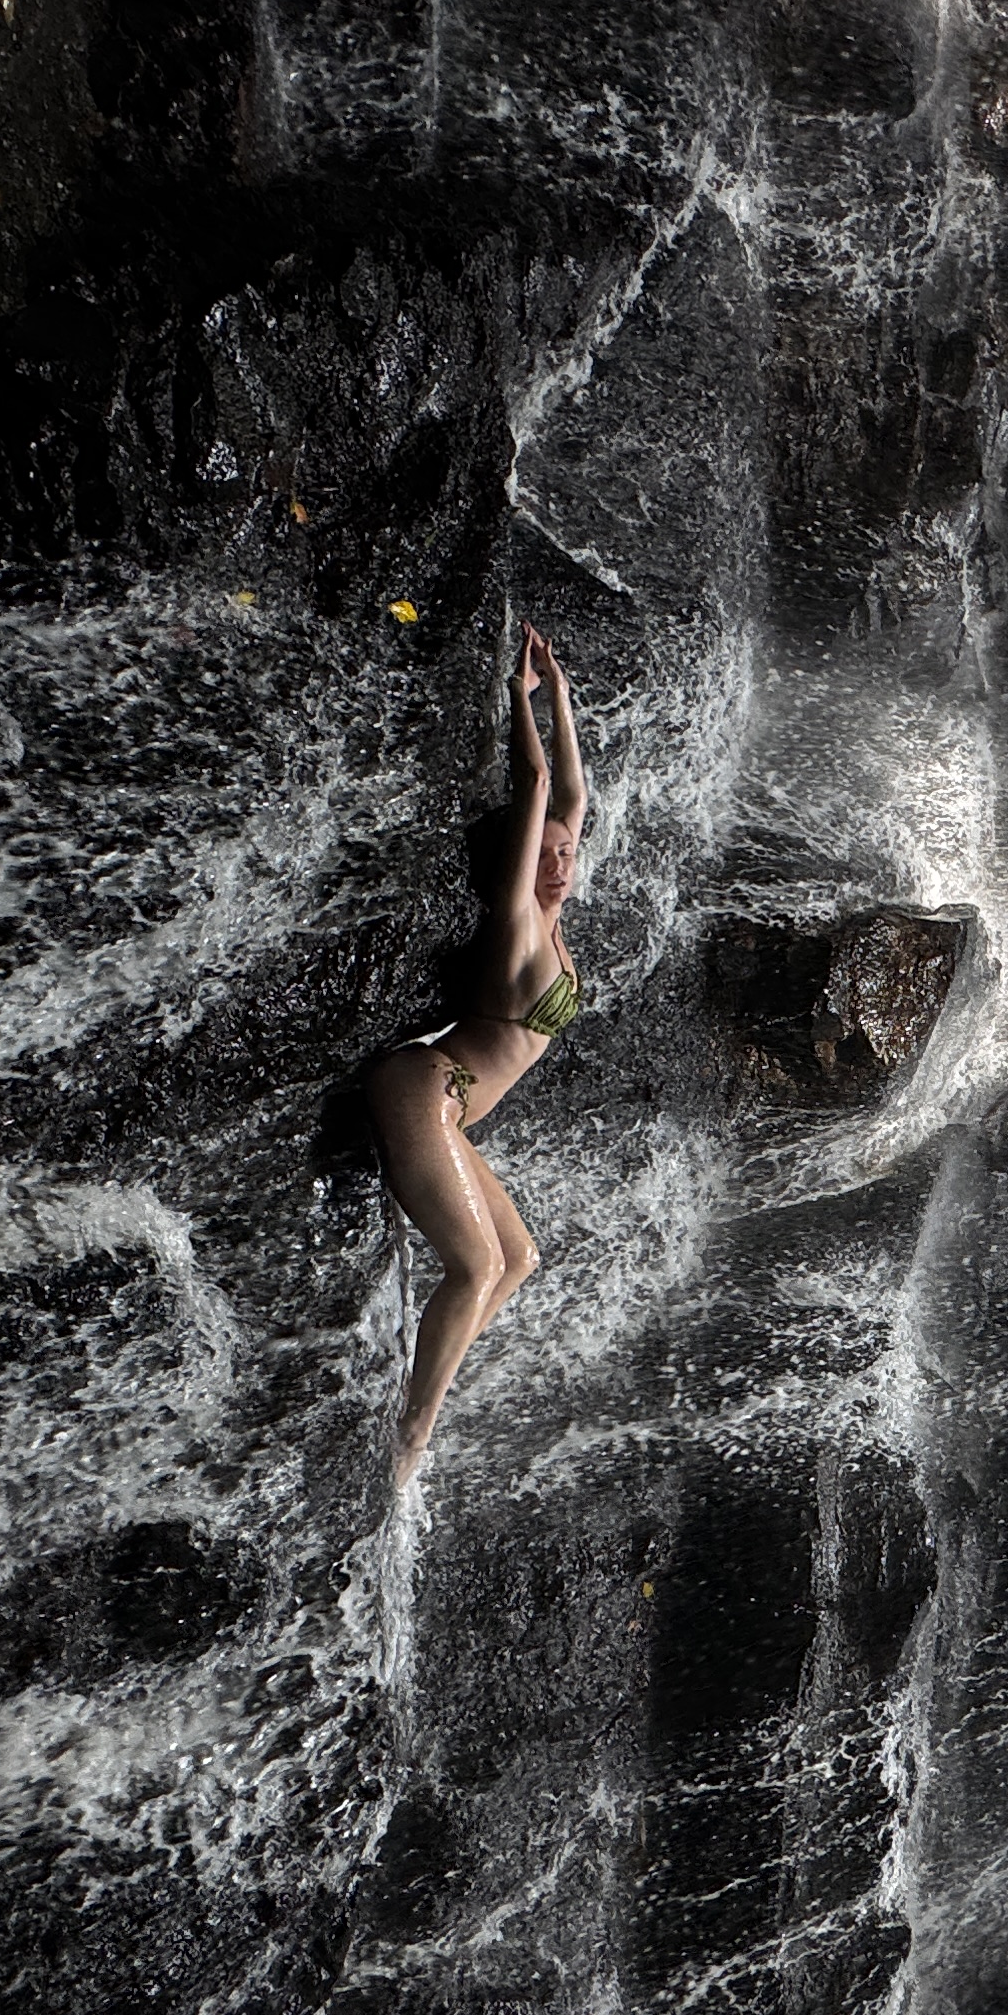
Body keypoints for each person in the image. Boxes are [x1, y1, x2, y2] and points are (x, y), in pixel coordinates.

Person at [365, 623, 589, 1484]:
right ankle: (413, 1432)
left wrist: (565, 700)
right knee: (478, 1262)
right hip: (427, 1088)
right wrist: (521, 700)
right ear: (522, 861)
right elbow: (539, 784)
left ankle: (418, 1390)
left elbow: (571, 793)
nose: (562, 863)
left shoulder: (559, 930)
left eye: (569, 854)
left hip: (452, 1112)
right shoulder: (518, 925)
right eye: (548, 854)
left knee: (519, 1259)